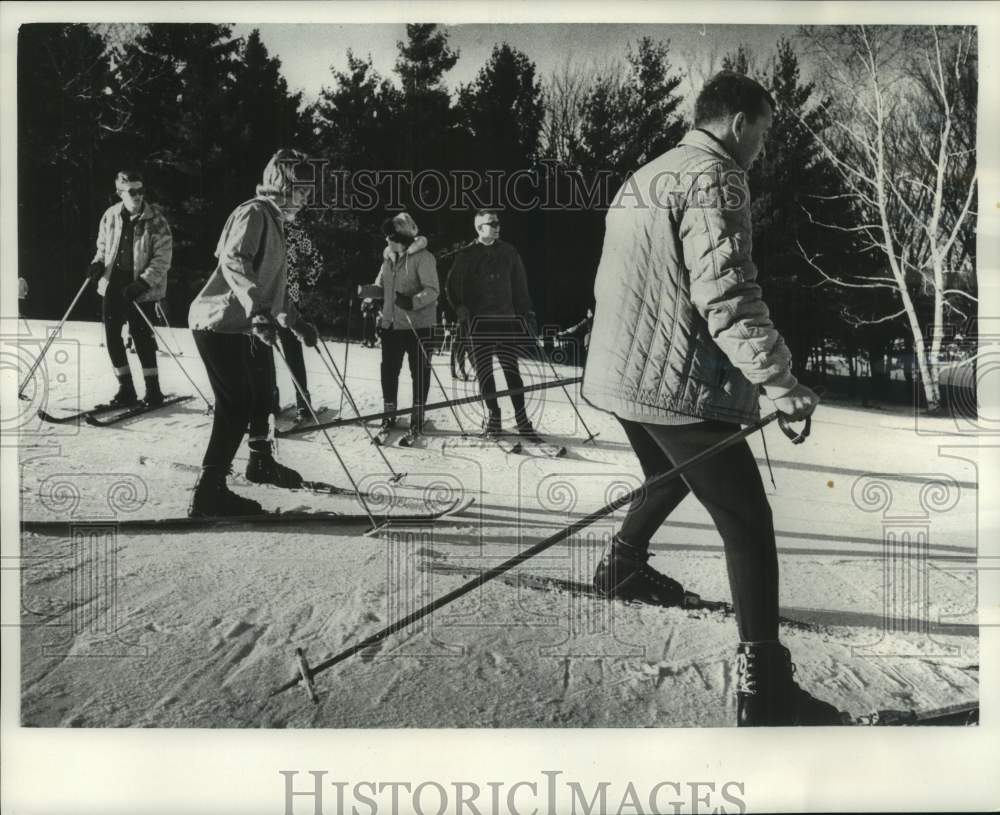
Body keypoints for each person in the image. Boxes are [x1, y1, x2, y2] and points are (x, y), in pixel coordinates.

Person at [582, 72, 842, 727]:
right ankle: (766, 689)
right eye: (765, 128)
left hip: (622, 375)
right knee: (747, 525)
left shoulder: (649, 172)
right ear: (737, 121)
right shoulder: (715, 177)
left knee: (667, 475)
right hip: (672, 382)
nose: (765, 143)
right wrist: (779, 382)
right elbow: (725, 293)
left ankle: (620, 568)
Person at [187, 149, 318, 517]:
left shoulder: (276, 222)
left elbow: (271, 288)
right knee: (237, 403)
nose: (307, 198)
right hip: (219, 322)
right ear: (283, 185)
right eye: (302, 189)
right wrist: (257, 311)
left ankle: (260, 461)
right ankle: (210, 491)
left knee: (264, 392)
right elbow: (234, 261)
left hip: (246, 323)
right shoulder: (254, 212)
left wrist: (295, 321)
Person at [86, 170, 172, 407]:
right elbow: (103, 246)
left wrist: (143, 283)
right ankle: (126, 389)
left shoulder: (156, 220)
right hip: (113, 283)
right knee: (112, 336)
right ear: (120, 192)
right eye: (132, 191)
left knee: (142, 337)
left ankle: (153, 391)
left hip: (141, 286)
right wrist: (97, 263)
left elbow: (162, 259)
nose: (138, 195)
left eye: (141, 190)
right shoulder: (111, 215)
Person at [446, 209, 537, 435]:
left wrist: (527, 312)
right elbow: (451, 287)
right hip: (478, 324)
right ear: (479, 228)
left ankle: (522, 418)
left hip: (505, 321)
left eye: (498, 222)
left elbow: (520, 285)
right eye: (491, 223)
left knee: (511, 371)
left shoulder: (509, 252)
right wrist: (460, 308)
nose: (497, 226)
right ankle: (494, 417)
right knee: (485, 372)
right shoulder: (466, 255)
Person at [363, 213, 439, 443]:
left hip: (419, 326)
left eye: (391, 237)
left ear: (403, 238)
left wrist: (412, 301)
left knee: (419, 372)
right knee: (389, 371)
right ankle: (389, 414)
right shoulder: (388, 258)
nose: (387, 241)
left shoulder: (424, 258)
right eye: (387, 237)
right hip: (391, 325)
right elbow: (381, 285)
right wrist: (368, 296)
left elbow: (433, 289)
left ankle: (418, 414)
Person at [279, 219, 323, 421]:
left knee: (291, 351)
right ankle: (271, 402)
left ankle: (303, 405)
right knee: (266, 352)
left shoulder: (293, 229)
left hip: (286, 297)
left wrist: (306, 282)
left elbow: (316, 258)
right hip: (267, 297)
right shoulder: (262, 226)